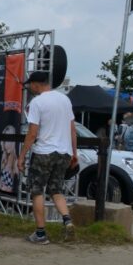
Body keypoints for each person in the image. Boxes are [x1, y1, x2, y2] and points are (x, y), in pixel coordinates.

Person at [17, 71, 78, 244]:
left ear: (36, 84)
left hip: (44, 152)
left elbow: (32, 133)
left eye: (30, 84)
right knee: (56, 190)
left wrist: (22, 156)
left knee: (37, 191)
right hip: (64, 153)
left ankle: (40, 234)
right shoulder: (65, 100)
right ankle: (67, 221)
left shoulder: (37, 102)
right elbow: (72, 130)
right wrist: (74, 153)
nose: (30, 87)